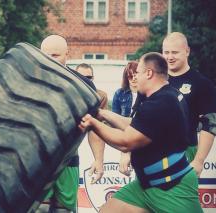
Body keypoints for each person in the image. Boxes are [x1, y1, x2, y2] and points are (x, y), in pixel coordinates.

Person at [79, 52, 202, 213]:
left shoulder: (161, 103)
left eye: (137, 73)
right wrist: (102, 114)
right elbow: (137, 125)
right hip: (147, 185)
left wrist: (92, 123)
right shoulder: (164, 95)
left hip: (173, 186)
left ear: (149, 73)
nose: (135, 78)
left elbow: (125, 142)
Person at [39, 34, 104, 213]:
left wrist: (99, 160)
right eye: (46, 56)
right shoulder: (29, 82)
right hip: (37, 162)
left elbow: (94, 126)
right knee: (38, 209)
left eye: (55, 56)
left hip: (68, 160)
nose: (50, 61)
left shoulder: (84, 86)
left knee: (64, 210)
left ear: (68, 53)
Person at [162, 32, 216, 176]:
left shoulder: (202, 83)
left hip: (184, 152)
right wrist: (127, 153)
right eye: (166, 52)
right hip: (151, 153)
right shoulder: (153, 80)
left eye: (175, 52)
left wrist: (199, 160)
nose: (169, 57)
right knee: (143, 198)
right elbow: (138, 119)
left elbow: (210, 123)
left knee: (180, 198)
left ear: (187, 51)